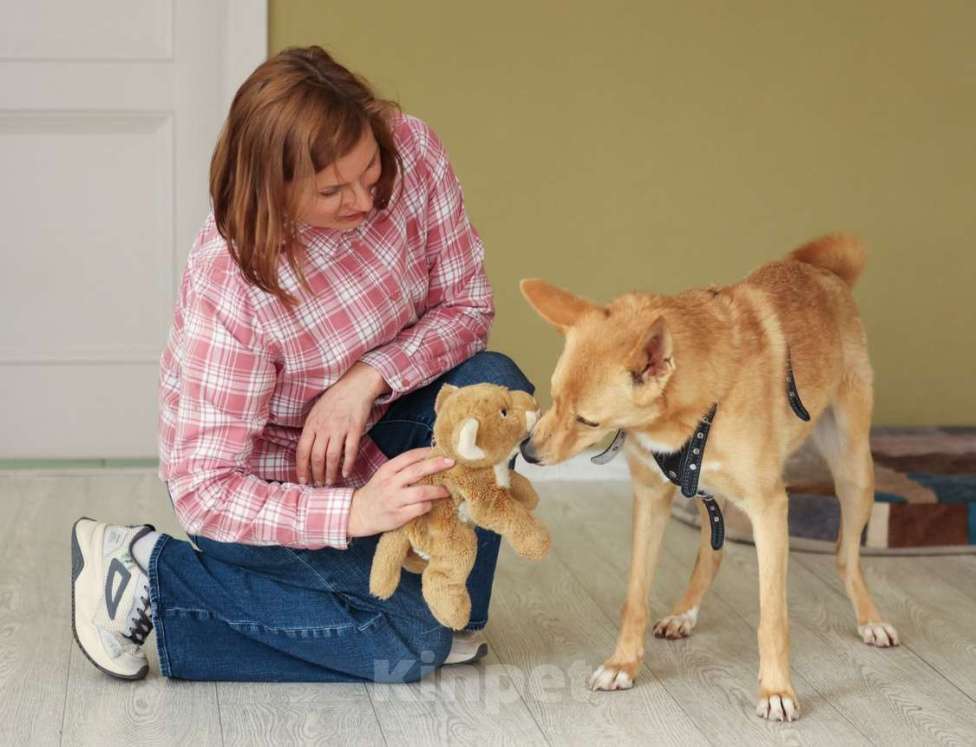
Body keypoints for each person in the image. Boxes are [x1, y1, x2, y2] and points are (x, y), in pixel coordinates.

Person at [69, 45, 533, 683]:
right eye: (332, 191)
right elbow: (206, 489)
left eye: (370, 172)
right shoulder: (232, 278)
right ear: (276, 189)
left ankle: (437, 605)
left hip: (379, 426)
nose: (366, 203)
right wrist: (353, 514)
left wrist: (365, 379)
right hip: (265, 488)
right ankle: (147, 565)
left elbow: (466, 306)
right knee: (405, 644)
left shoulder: (414, 153)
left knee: (495, 386)